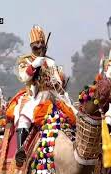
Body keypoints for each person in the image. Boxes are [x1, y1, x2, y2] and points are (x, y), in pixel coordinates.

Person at [6, 25, 74, 166]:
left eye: (41, 46)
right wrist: (35, 65)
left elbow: (58, 81)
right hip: (34, 95)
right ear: (31, 47)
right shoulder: (25, 61)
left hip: (52, 95)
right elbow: (25, 77)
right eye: (36, 47)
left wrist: (55, 80)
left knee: (73, 111)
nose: (39, 49)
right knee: (24, 113)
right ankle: (21, 150)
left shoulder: (50, 62)